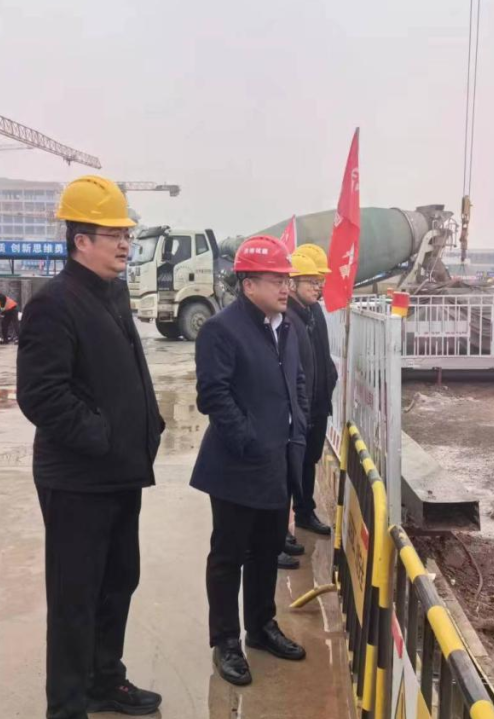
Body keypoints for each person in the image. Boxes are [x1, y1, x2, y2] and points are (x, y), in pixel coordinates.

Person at [17, 175, 164, 719]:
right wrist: (100, 435)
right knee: (75, 597)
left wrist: (148, 424)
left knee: (118, 582)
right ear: (81, 240)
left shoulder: (112, 293)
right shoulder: (54, 303)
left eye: (127, 234)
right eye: (114, 234)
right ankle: (67, 705)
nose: (125, 244)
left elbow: (125, 372)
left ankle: (105, 681)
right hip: (78, 479)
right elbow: (40, 394)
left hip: (121, 472)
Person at [191, 235, 309, 687]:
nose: (285, 287)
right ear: (248, 284)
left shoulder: (287, 325)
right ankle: (225, 641)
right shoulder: (221, 330)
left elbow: (296, 381)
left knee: (267, 550)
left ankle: (260, 626)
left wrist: (296, 426)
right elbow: (213, 396)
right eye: (276, 280)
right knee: (228, 556)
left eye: (287, 279)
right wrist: (250, 440)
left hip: (277, 461)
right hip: (236, 466)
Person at [287, 245, 336, 537]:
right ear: (292, 283)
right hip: (299, 407)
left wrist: (330, 378)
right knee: (289, 468)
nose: (318, 287)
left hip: (317, 403)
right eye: (312, 281)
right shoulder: (287, 317)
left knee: (309, 461)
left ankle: (305, 511)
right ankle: (283, 527)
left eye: (321, 281)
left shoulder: (314, 311)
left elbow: (321, 355)